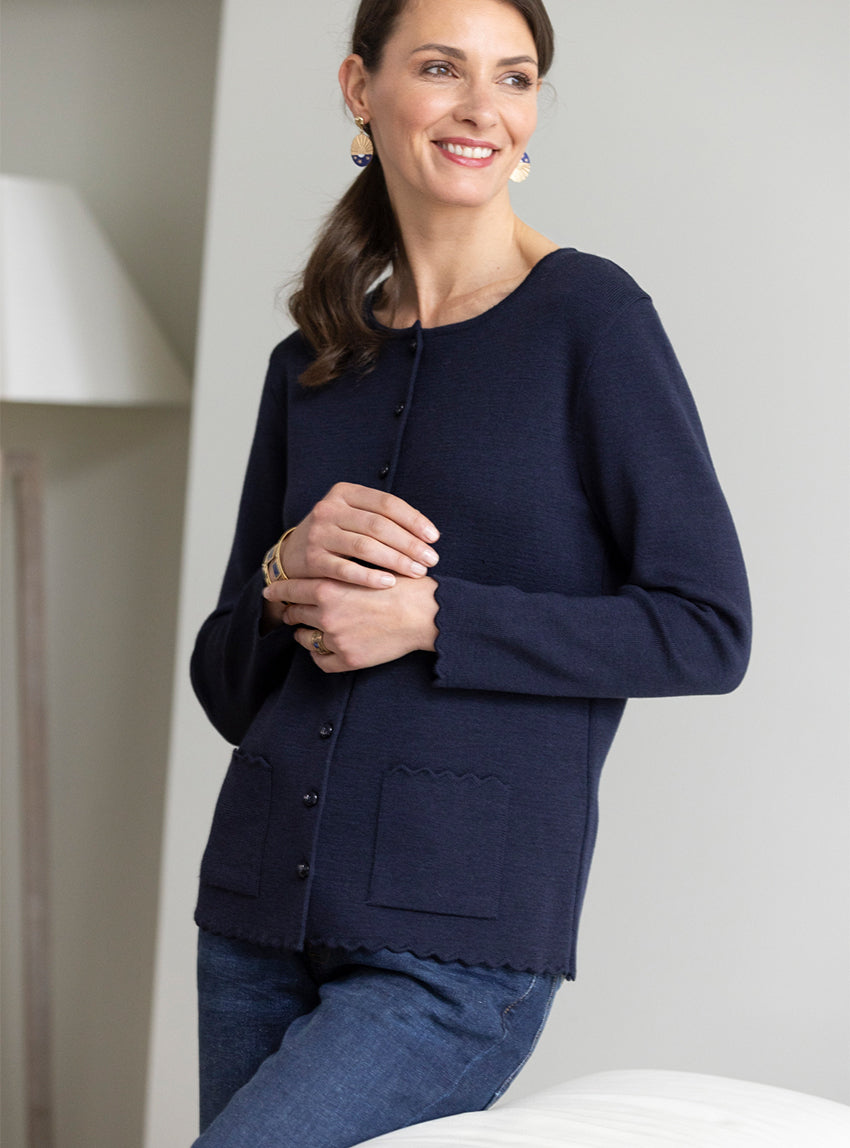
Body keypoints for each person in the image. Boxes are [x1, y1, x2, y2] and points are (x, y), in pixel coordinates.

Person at [188, 0, 751, 1144]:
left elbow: (705, 626)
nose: (481, 107)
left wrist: (432, 616)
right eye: (442, 68)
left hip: (450, 937)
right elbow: (227, 685)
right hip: (253, 909)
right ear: (362, 89)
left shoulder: (590, 319)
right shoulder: (311, 359)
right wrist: (284, 565)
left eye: (514, 75)